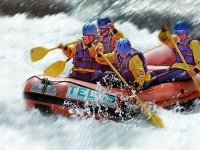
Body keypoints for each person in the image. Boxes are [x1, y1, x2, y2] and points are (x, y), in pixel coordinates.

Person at [149, 21, 200, 87]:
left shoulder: (194, 43)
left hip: (187, 71)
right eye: (178, 34)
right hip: (176, 68)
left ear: (187, 32)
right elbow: (164, 39)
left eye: (182, 34)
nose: (180, 36)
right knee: (151, 74)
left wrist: (195, 71)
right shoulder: (176, 40)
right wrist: (164, 30)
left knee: (155, 80)